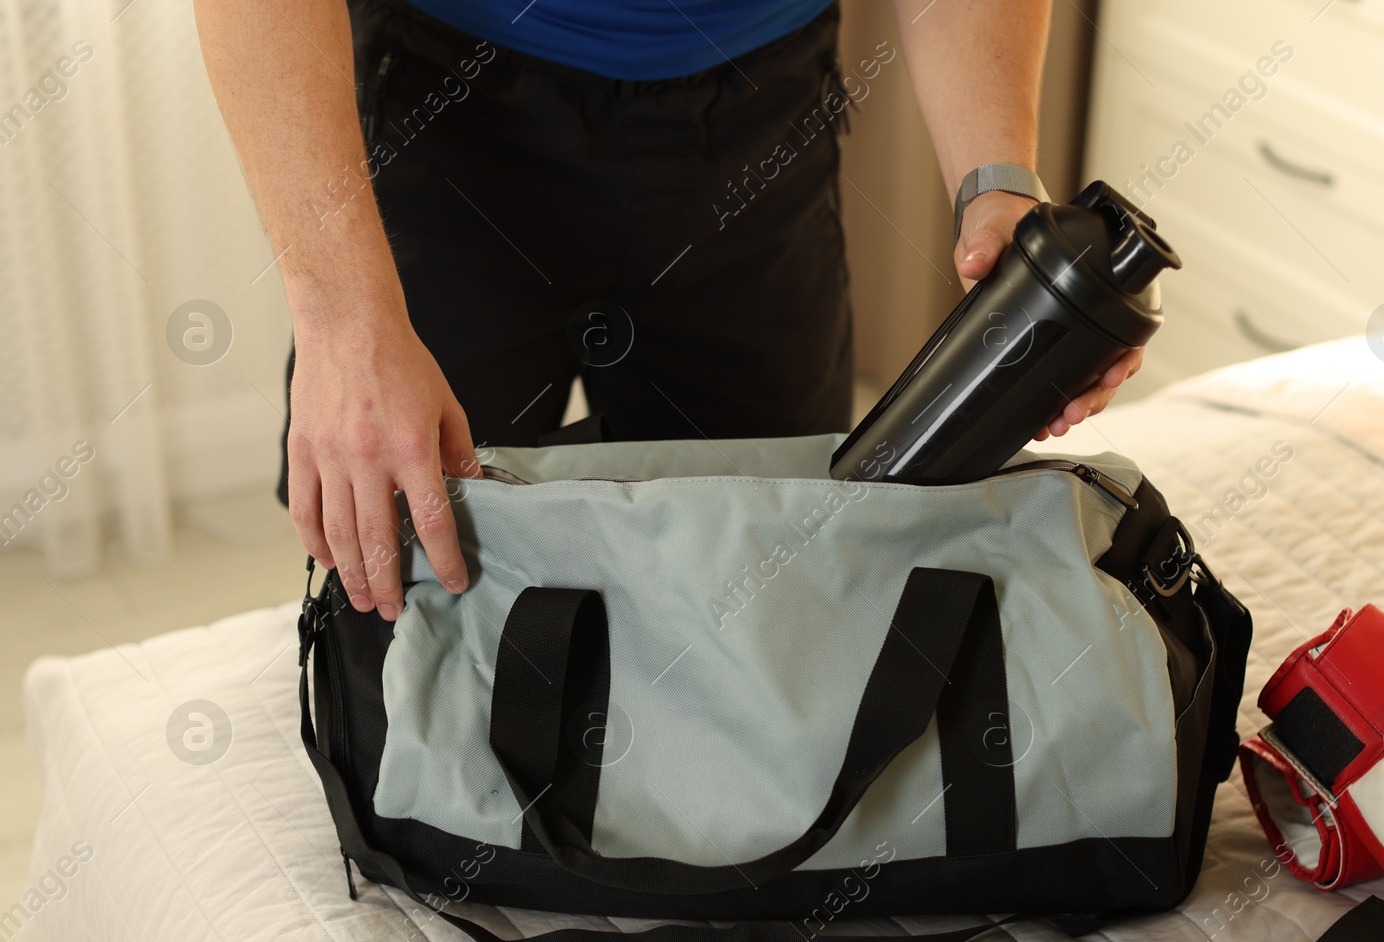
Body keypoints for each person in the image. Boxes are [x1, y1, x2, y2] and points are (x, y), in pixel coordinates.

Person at [194, 0, 1141, 622]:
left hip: (755, 124)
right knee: (402, 587)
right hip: (450, 112)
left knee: (781, 578)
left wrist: (999, 189)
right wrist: (343, 319)